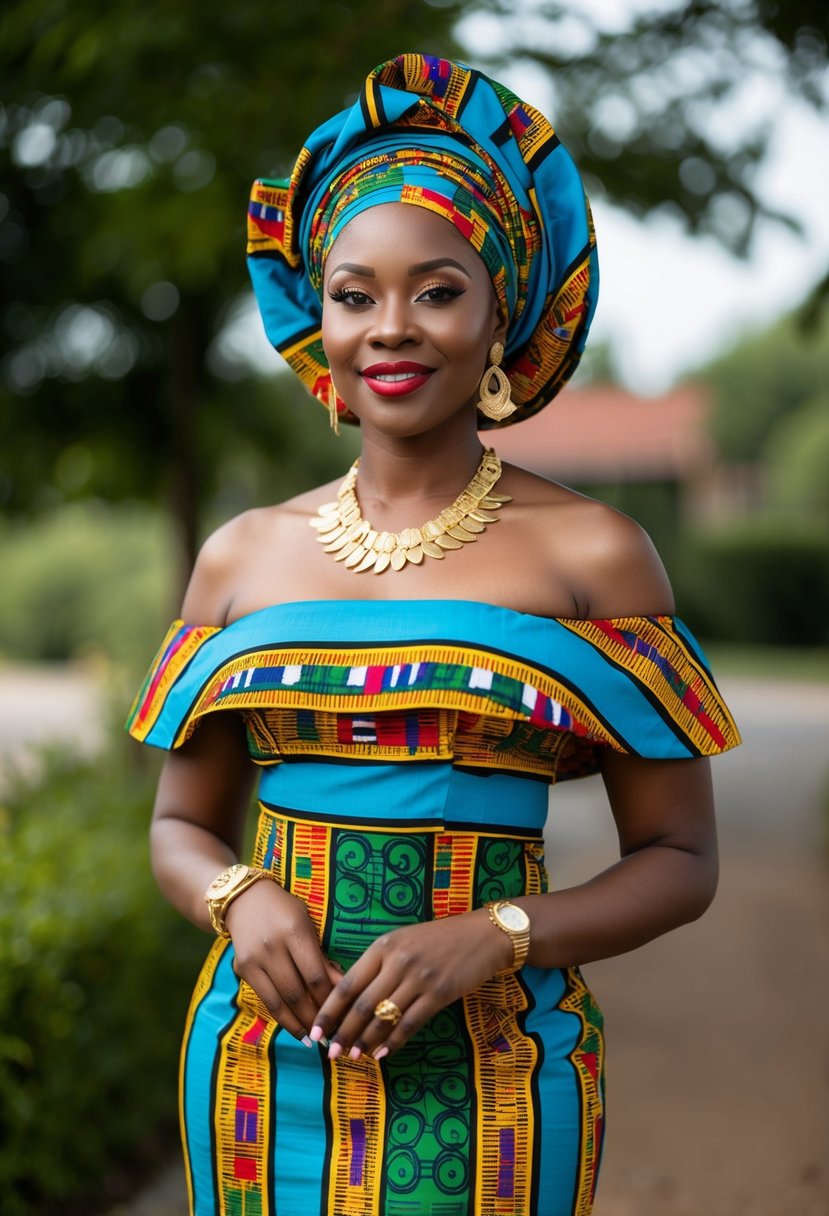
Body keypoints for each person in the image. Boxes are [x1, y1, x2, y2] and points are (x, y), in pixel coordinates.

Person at [127, 53, 740, 1216]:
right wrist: (240, 898)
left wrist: (497, 935)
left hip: (500, 1077)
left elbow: (681, 861)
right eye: (354, 295)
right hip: (260, 1071)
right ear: (319, 318)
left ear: (501, 307)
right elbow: (178, 825)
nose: (389, 329)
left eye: (438, 289)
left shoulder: (595, 556)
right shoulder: (240, 555)